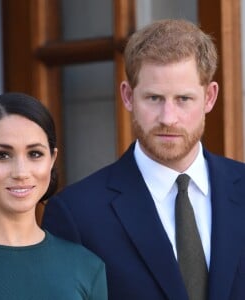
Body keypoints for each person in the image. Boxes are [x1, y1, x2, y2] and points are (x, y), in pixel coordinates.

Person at [42, 19, 245, 300]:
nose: (168, 118)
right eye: (153, 98)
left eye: (184, 99)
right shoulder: (77, 215)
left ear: (209, 97)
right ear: (128, 96)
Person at [0, 93, 107, 299]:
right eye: (3, 155)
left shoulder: (86, 267)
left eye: (35, 154)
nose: (21, 172)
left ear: (52, 159)